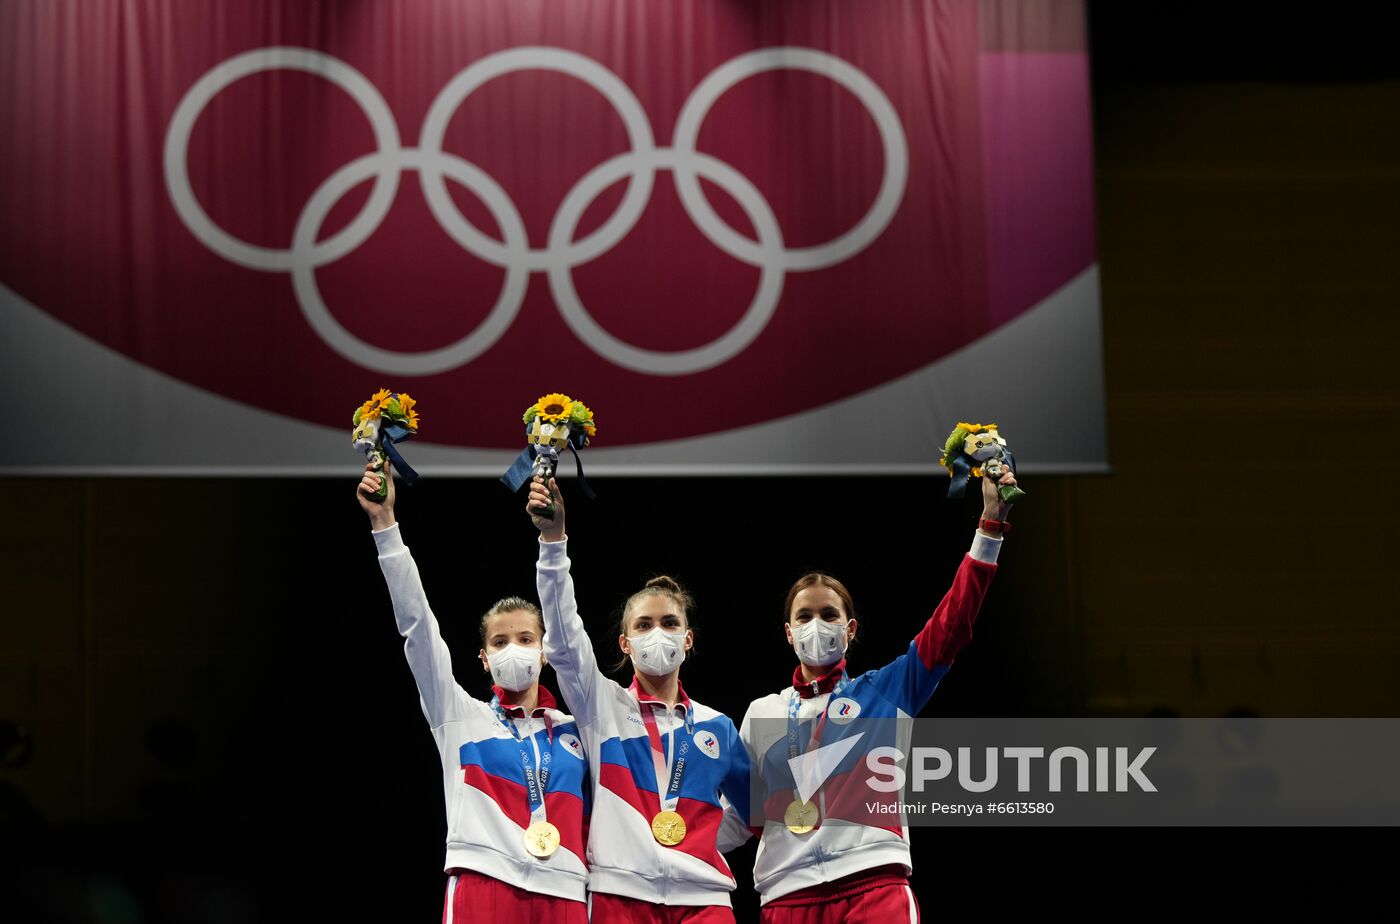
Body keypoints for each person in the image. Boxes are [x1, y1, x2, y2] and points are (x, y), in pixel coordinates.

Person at [732, 465, 1020, 922]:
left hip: (874, 885)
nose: (815, 625)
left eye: (828, 614)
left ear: (850, 629)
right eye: (804, 617)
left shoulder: (887, 692)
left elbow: (951, 627)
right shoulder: (760, 714)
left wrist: (989, 527)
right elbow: (737, 817)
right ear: (788, 633)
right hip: (787, 899)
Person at [359, 460, 590, 922]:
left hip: (565, 891)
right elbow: (418, 628)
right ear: (483, 658)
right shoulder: (459, 717)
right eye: (500, 642)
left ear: (546, 651)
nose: (513, 650)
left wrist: (554, 537)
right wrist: (385, 525)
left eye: (526, 639)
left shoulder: (579, 729)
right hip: (482, 884)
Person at [528, 476, 752, 923]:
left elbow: (753, 815)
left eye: (669, 624)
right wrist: (553, 541)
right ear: (625, 643)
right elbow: (564, 639)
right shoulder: (600, 707)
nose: (658, 633)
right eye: (644, 625)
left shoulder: (718, 726)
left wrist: (698, 838)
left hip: (705, 900)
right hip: (620, 896)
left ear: (688, 640)